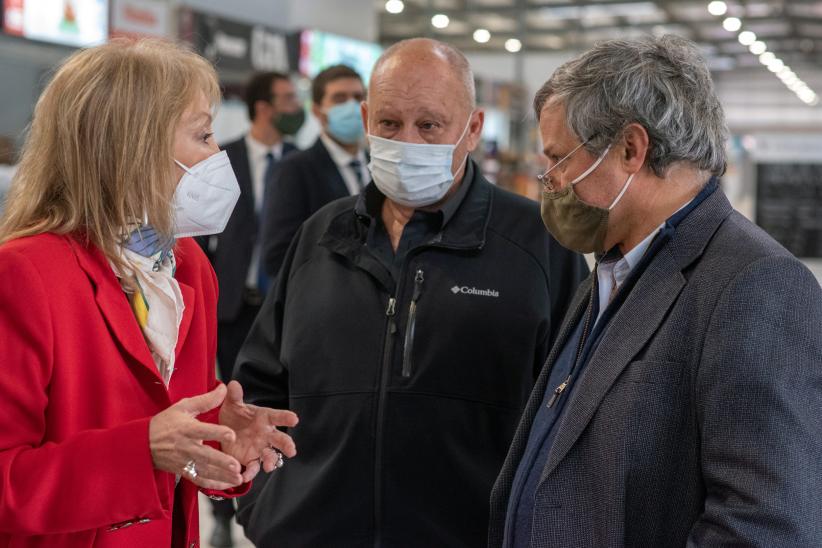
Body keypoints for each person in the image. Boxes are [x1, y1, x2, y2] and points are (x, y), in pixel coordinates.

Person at [233, 38, 588, 547]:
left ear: (472, 129)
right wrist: (269, 506)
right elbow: (259, 390)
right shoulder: (321, 236)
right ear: (366, 118)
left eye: (429, 125)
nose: (408, 143)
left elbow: (575, 414)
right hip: (313, 534)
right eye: (390, 124)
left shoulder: (538, 244)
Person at [489, 35, 822, 548]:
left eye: (558, 159)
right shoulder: (616, 266)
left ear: (630, 149)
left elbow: (765, 528)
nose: (548, 180)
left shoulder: (754, 285)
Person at [0, 39, 298, 547]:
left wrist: (218, 434)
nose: (217, 154)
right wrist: (140, 451)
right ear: (132, 148)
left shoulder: (188, 267)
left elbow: (168, 420)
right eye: (203, 135)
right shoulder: (25, 274)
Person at [201, 70, 302, 547]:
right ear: (264, 106)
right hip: (232, 306)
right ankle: (216, 502)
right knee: (217, 406)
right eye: (286, 99)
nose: (294, 107)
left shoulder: (299, 164)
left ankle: (257, 492)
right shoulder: (226, 157)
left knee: (262, 408)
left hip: (278, 310)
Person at [261, 64, 368, 278]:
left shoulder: (378, 165)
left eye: (358, 97)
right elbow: (277, 256)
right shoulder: (295, 169)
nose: (352, 106)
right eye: (339, 99)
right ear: (317, 111)